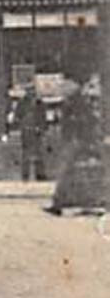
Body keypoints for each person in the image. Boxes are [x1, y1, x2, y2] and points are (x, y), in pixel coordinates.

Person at [46, 76, 105, 215]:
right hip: (81, 140)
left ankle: (59, 202)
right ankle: (60, 202)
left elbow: (80, 123)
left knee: (67, 170)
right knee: (71, 171)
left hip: (77, 141)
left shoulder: (76, 104)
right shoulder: (82, 103)